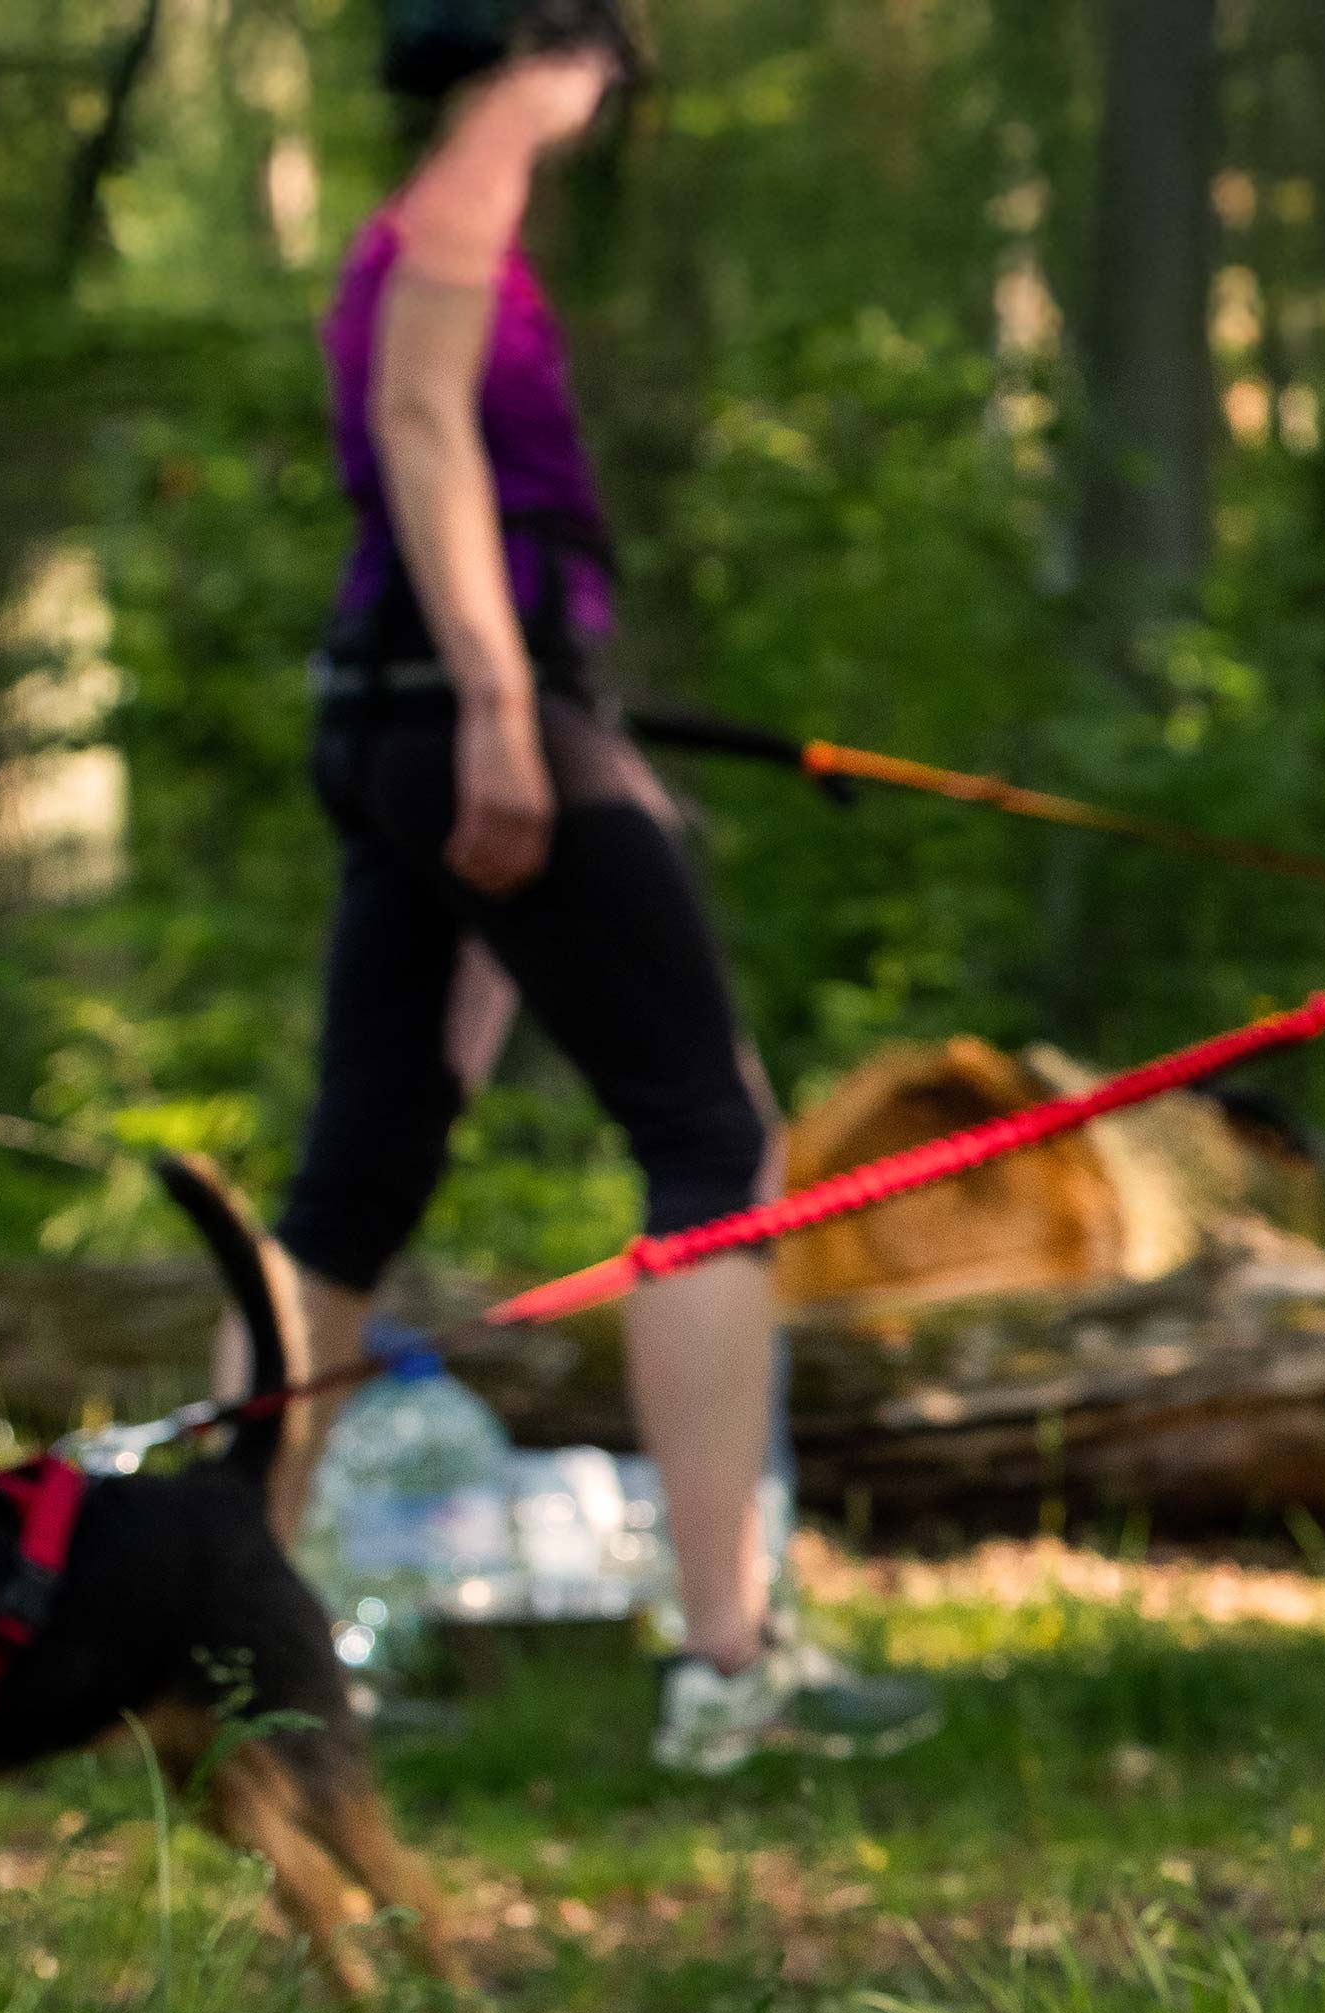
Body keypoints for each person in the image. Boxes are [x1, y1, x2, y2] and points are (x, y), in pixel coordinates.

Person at [279, 0, 927, 1768]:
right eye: (598, 62)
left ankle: (224, 1635)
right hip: (467, 711)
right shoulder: (476, 170)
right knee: (715, 1144)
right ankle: (729, 1664)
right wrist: (505, 707)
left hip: (409, 715)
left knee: (355, 1182)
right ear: (543, 48)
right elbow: (425, 426)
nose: (604, 102)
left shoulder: (405, 213)